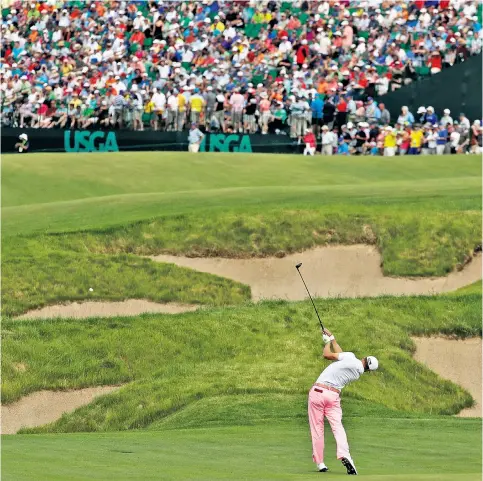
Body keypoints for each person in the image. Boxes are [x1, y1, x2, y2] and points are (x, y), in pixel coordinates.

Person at [308, 328, 379, 474]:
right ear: (368, 370)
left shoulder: (351, 358)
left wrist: (327, 342)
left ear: (365, 358)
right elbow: (342, 354)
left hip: (318, 393)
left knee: (317, 428)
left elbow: (327, 355)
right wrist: (333, 338)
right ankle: (345, 455)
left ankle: (320, 463)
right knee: (338, 427)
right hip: (333, 397)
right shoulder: (357, 372)